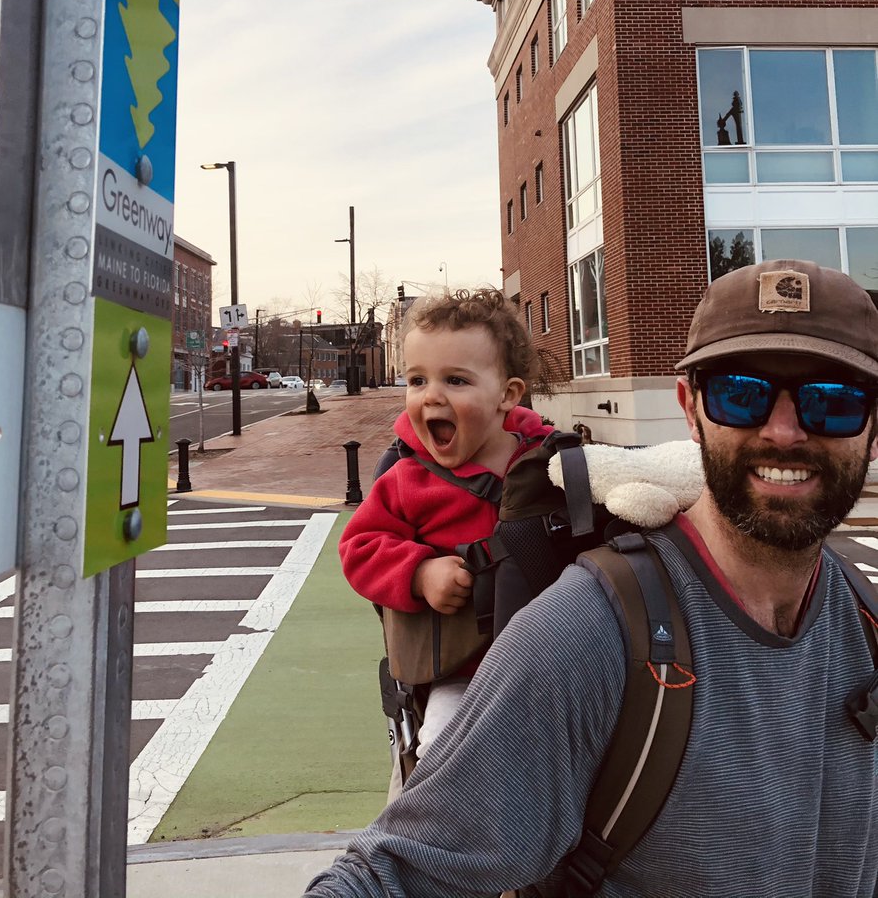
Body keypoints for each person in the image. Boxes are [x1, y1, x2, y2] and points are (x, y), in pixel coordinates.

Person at [307, 259, 878, 897]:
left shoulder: (866, 626)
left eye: (834, 401)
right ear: (690, 410)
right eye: (739, 394)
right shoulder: (585, 636)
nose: (783, 430)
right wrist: (417, 571)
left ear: (874, 426)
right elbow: (397, 877)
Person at [339, 288, 550, 769]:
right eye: (417, 380)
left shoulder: (548, 460)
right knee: (445, 754)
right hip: (461, 669)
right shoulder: (408, 480)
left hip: (551, 662)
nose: (431, 395)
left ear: (507, 395)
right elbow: (359, 548)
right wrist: (419, 573)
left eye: (455, 380)